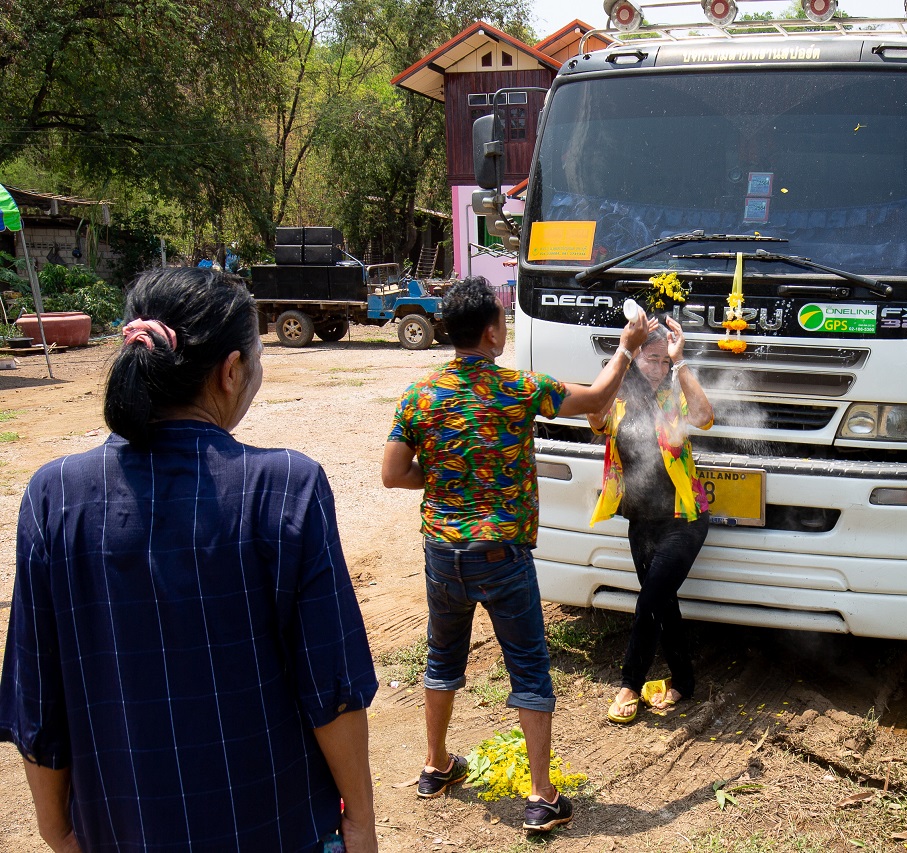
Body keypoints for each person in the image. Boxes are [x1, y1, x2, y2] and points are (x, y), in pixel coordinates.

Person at [0, 268, 380, 853]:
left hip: (122, 831)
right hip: (272, 826)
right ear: (230, 372)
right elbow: (331, 686)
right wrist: (358, 822)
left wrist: (58, 832)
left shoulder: (53, 496)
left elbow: (37, 700)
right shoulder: (284, 487)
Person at [381, 277, 653, 832]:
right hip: (502, 553)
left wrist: (444, 477)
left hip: (443, 553)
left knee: (441, 659)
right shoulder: (519, 388)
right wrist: (627, 345)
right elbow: (599, 400)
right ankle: (542, 796)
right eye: (502, 320)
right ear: (490, 332)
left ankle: (434, 766)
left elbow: (392, 474)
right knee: (529, 670)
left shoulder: (419, 394)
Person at [587, 319, 714, 724]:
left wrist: (680, 362)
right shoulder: (618, 400)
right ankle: (684, 681)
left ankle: (629, 682)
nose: (658, 368)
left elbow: (705, 416)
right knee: (663, 603)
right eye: (652, 359)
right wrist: (623, 355)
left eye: (664, 360)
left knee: (649, 600)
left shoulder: (673, 396)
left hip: (685, 518)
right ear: (635, 358)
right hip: (640, 520)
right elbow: (593, 415)